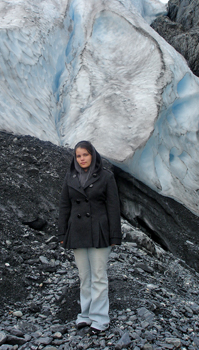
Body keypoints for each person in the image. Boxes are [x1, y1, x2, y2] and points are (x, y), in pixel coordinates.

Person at [58, 140, 122, 334]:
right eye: (78, 156)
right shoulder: (70, 177)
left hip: (99, 233)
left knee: (99, 277)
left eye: (85, 154)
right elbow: (64, 207)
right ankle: (85, 315)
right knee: (84, 276)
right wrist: (62, 233)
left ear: (93, 155)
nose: (82, 159)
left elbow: (113, 207)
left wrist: (115, 236)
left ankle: (100, 319)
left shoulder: (106, 177)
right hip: (77, 232)